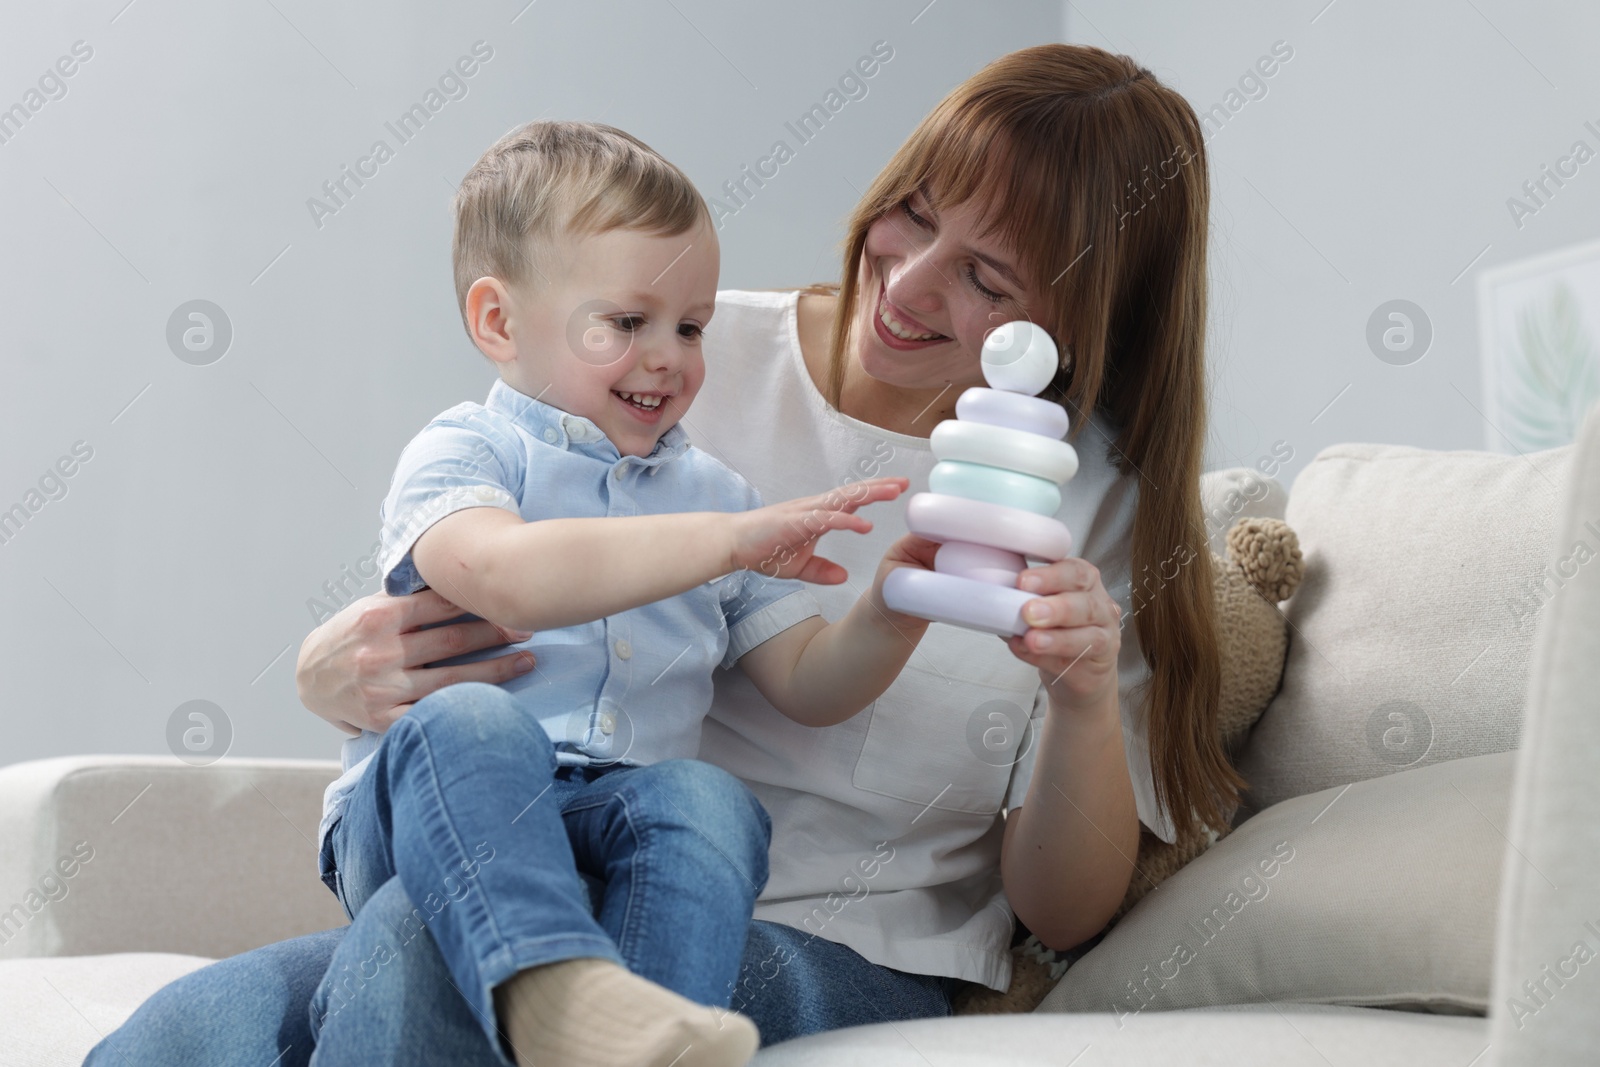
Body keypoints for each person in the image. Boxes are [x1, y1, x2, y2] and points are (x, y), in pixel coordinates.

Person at [87, 42, 1243, 1066]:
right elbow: (483, 568)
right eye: (913, 210)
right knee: (198, 1025)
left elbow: (1064, 909)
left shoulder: (1087, 506)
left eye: (990, 278)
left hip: (832, 935)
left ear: (1081, 317)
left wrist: (1079, 694)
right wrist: (329, 669)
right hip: (548, 859)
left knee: (419, 947)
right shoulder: (670, 347)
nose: (911, 280)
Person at [323, 119, 941, 1067]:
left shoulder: (714, 493)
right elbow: (508, 577)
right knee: (472, 724)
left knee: (706, 797)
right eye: (627, 323)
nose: (670, 356)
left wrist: (891, 611)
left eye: (691, 328)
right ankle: (552, 991)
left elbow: (810, 683)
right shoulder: (468, 452)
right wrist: (729, 542)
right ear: (499, 322)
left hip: (614, 821)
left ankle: (623, 1033)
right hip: (435, 822)